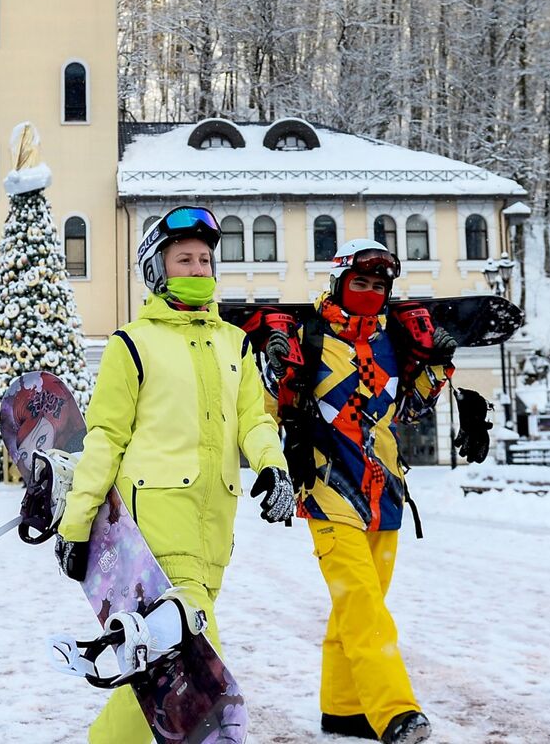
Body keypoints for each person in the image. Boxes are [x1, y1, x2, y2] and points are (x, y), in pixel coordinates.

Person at [55, 206, 294, 744]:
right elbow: (105, 439)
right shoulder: (132, 344)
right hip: (157, 532)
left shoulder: (236, 344)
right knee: (199, 676)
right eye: (184, 258)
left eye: (206, 259)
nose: (198, 268)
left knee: (159, 672)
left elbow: (254, 420)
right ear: (157, 270)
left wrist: (273, 467)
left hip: (215, 533)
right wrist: (76, 525)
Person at [250, 238, 491, 744]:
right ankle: (394, 710)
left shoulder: (392, 341)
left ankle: (342, 709)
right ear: (339, 281)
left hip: (384, 492)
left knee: (356, 606)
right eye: (360, 282)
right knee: (362, 603)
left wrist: (439, 369)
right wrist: (274, 373)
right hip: (325, 488)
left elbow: (404, 411)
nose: (370, 292)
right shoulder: (305, 335)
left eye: (379, 285)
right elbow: (272, 407)